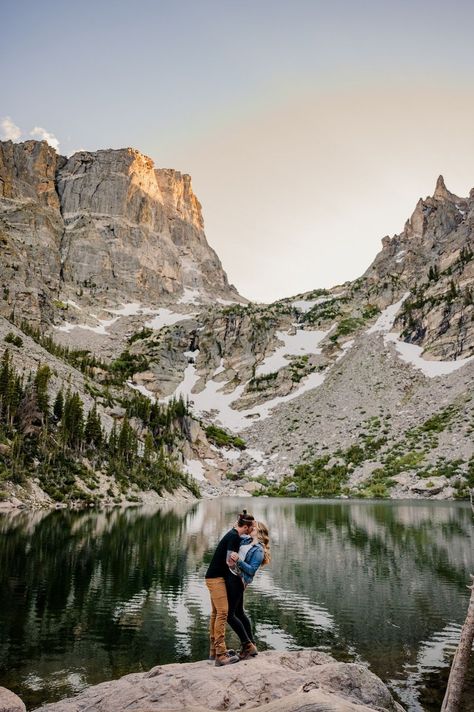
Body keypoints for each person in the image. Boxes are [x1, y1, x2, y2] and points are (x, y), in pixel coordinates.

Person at [205, 509, 255, 666]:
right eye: (251, 528)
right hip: (216, 579)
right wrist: (241, 575)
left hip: (212, 577)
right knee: (223, 613)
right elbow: (229, 562)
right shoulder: (234, 537)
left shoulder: (233, 534)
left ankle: (214, 651)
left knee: (215, 613)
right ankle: (221, 655)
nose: (252, 531)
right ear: (245, 528)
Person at [227, 521, 271, 660]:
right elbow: (234, 535)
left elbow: (251, 570)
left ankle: (248, 644)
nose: (251, 528)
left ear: (259, 532)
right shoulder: (247, 539)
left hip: (240, 581)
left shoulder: (258, 550)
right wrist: (238, 524)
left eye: (254, 527)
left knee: (229, 615)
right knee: (239, 612)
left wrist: (238, 560)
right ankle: (251, 645)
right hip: (234, 577)